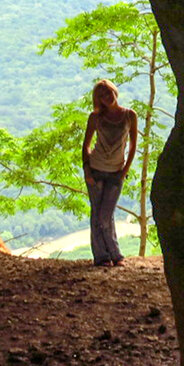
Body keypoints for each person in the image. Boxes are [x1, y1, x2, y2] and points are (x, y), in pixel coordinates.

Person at [81, 79, 137, 267]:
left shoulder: (130, 115)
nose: (107, 97)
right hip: (95, 170)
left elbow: (133, 146)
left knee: (105, 215)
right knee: (97, 215)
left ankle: (114, 254)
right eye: (102, 95)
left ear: (115, 91)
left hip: (115, 173)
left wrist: (124, 172)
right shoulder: (95, 117)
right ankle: (104, 257)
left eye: (109, 92)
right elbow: (86, 145)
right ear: (99, 100)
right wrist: (87, 169)